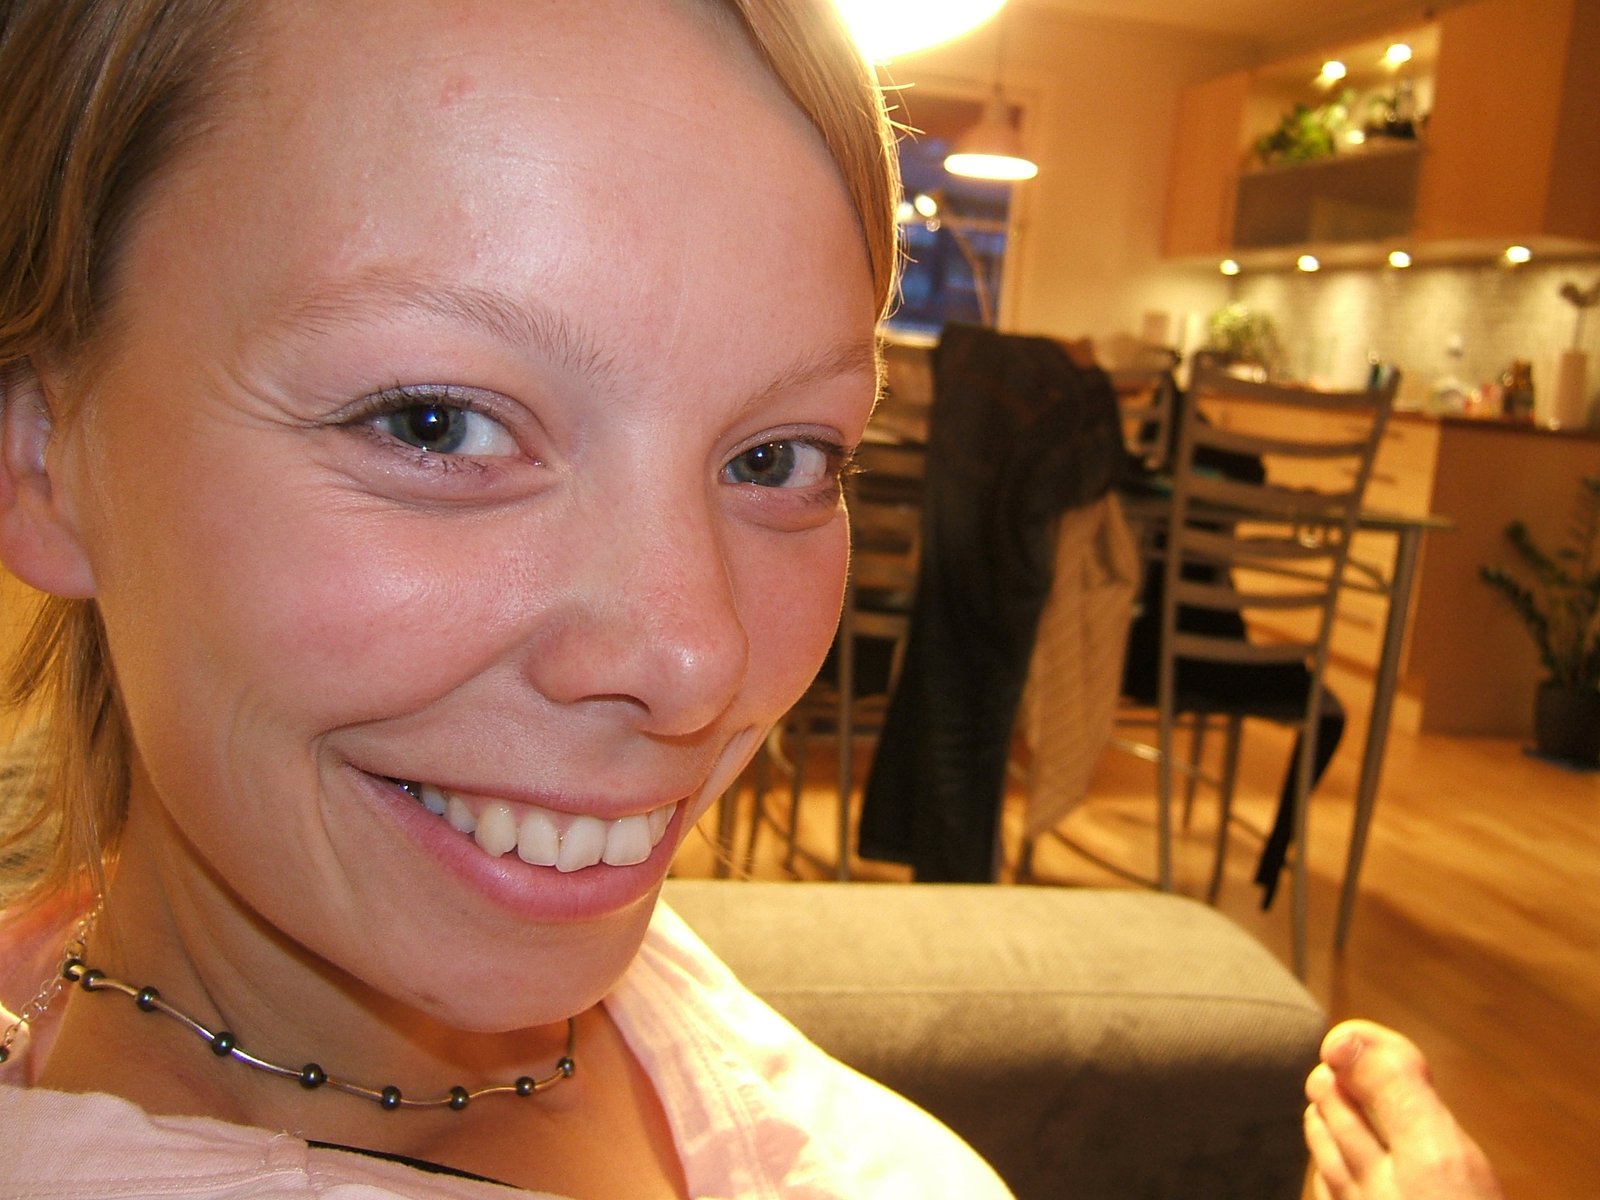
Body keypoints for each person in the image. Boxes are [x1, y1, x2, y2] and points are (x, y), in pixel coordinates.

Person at [0, 1, 1506, 1197]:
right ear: (42, 455)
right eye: (435, 423)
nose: (697, 656)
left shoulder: (519, 941)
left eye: (779, 456)